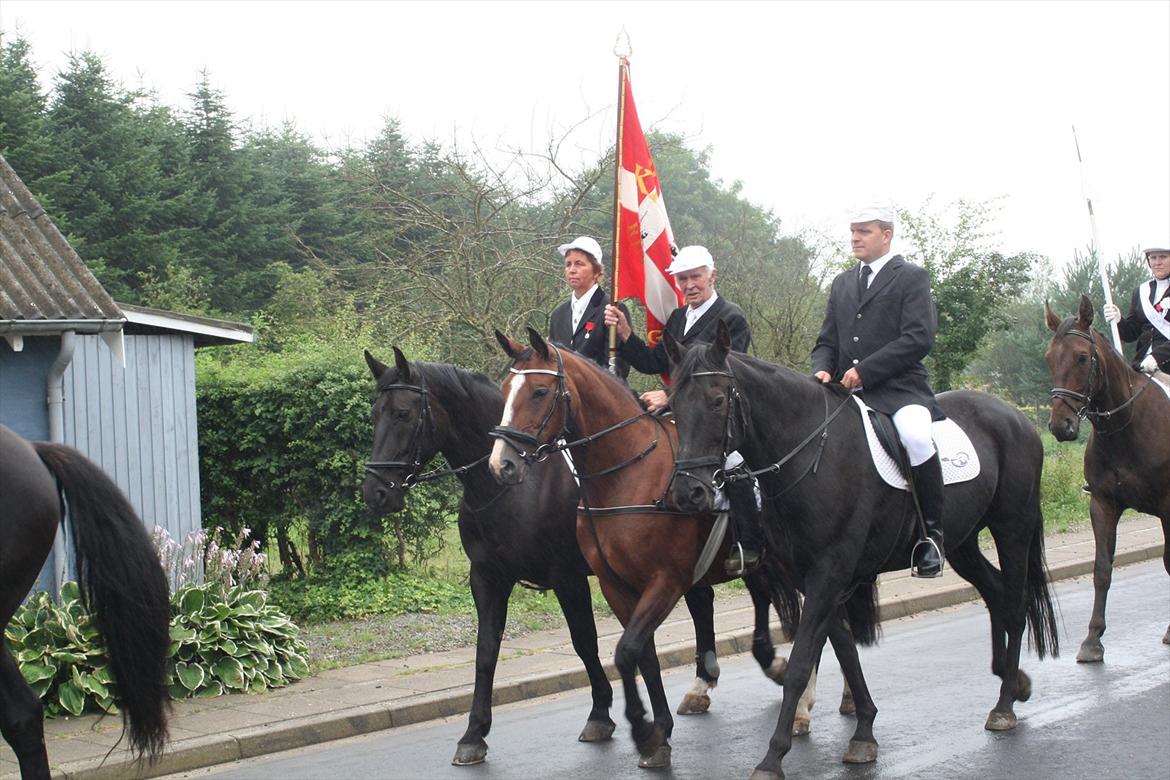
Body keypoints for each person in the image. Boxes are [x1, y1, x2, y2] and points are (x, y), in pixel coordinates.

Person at [604, 245, 761, 575]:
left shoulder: (731, 317)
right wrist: (626, 333)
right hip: (680, 414)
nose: (689, 285)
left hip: (715, 415)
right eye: (683, 279)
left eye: (695, 277)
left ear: (711, 276)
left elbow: (725, 373)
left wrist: (668, 395)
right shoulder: (677, 318)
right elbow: (654, 362)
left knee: (737, 466)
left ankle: (749, 544)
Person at [811, 204, 947, 578]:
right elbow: (827, 339)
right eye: (853, 231)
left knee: (917, 439)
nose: (855, 238)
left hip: (900, 391)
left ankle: (931, 535)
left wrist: (865, 371)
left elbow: (918, 338)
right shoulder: (842, 283)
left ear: (886, 235)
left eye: (864, 231)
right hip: (846, 392)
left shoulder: (911, 277)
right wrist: (822, 369)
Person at [548, 236, 629, 380]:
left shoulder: (613, 309)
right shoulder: (558, 315)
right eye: (568, 264)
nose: (571, 270)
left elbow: (619, 368)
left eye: (579, 264)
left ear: (596, 271)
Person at [1103, 245, 1170, 391]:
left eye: (1163, 257)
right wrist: (1119, 319)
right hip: (1142, 365)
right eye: (1153, 258)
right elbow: (1131, 333)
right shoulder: (1141, 291)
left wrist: (1157, 356)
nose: (1157, 262)